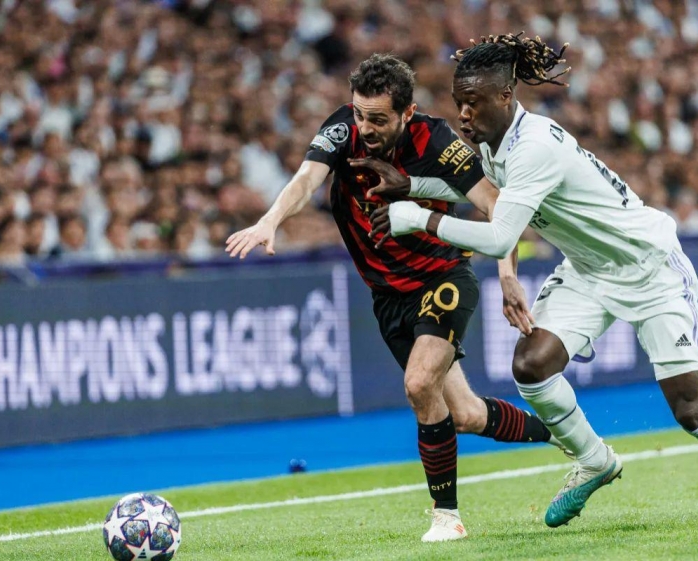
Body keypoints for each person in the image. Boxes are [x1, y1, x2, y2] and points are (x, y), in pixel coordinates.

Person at [367, 34, 698, 527]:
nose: (463, 114)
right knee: (531, 365)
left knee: (690, 409)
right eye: (458, 103)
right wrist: (413, 185)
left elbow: (500, 235)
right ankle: (594, 460)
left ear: (505, 96)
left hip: (648, 266)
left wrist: (416, 217)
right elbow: (487, 192)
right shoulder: (495, 141)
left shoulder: (534, 147)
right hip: (589, 270)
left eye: (473, 103)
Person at [225, 53, 570, 542]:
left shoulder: (437, 142)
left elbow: (497, 205)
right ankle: (561, 434)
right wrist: (270, 220)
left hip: (444, 277)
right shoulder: (343, 130)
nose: (365, 127)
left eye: (378, 119)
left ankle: (446, 517)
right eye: (359, 114)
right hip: (388, 297)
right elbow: (306, 179)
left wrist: (507, 274)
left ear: (407, 112)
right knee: (466, 414)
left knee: (419, 382)